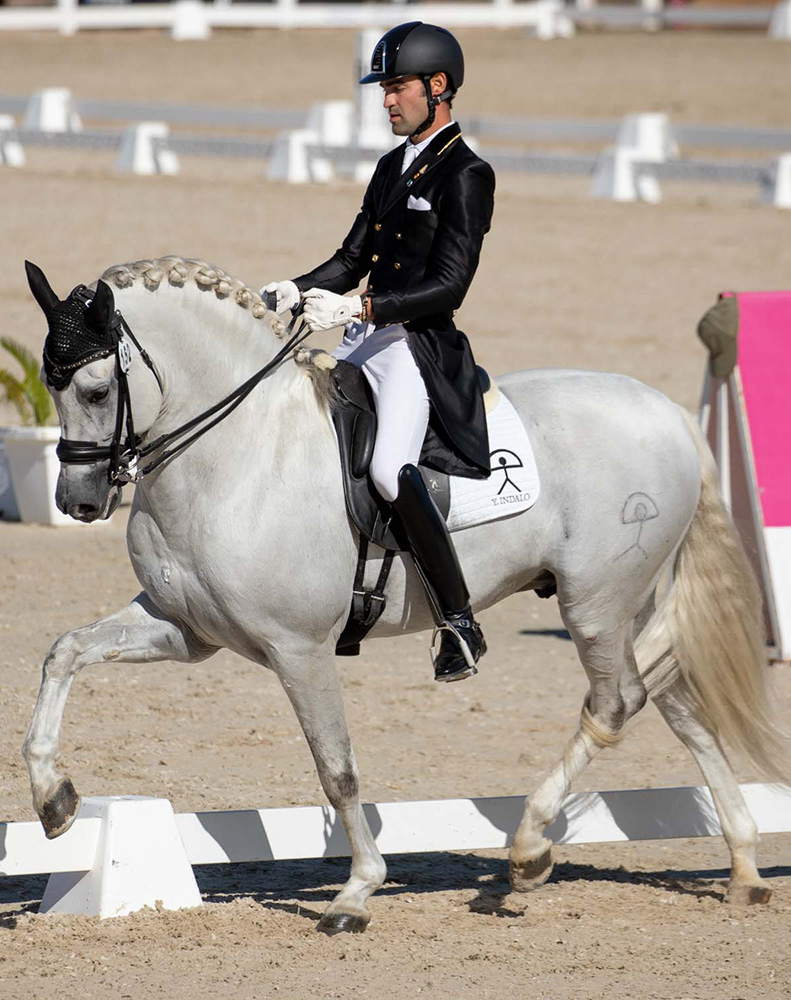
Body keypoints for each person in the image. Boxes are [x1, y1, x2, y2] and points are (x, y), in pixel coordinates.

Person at [262, 22, 495, 683]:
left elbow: (451, 283)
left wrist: (361, 307)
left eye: (396, 88)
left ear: (437, 86)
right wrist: (293, 289)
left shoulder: (467, 174)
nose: (387, 102)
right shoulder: (391, 165)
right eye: (384, 90)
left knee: (391, 469)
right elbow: (351, 257)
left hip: (416, 348)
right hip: (365, 337)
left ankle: (459, 622)